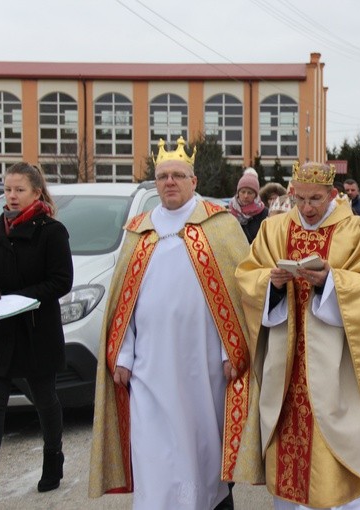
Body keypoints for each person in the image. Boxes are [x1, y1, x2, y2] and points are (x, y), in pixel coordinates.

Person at [89, 137, 260, 509]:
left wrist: (230, 349)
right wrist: (123, 353)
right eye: (163, 176)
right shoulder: (139, 231)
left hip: (203, 368)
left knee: (202, 447)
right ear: (155, 182)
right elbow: (124, 303)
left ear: (193, 181)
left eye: (178, 175)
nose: (170, 182)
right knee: (153, 451)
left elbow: (238, 297)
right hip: (150, 368)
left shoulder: (220, 226)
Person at [235, 161, 360, 509]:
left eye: (316, 199)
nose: (307, 208)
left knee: (342, 472)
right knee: (291, 483)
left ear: (333, 195)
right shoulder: (274, 230)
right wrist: (272, 285)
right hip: (288, 373)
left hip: (342, 373)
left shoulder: (358, 232)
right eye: (300, 198)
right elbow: (247, 277)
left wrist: (332, 283)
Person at [0, 162, 74, 509]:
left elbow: (61, 281)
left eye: (19, 190)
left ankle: (53, 456)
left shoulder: (51, 231)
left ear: (36, 192)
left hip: (34, 332)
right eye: (7, 189)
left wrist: (24, 298)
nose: (11, 196)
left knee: (44, 399)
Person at [230, 167, 268, 243]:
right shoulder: (229, 211)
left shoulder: (264, 213)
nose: (246, 196)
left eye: (250, 193)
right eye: (243, 192)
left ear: (256, 195)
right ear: (238, 192)